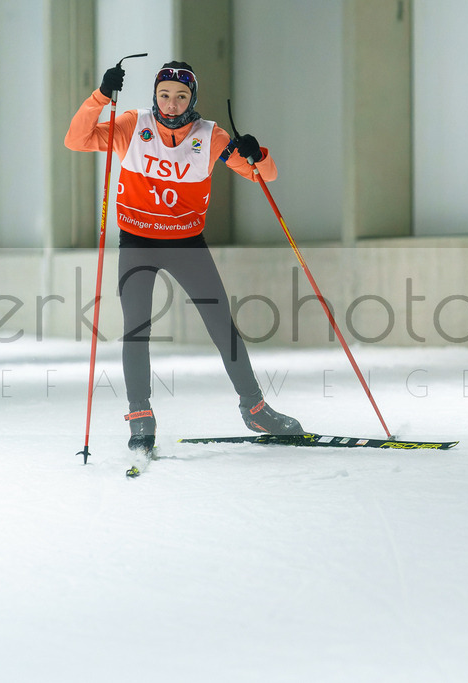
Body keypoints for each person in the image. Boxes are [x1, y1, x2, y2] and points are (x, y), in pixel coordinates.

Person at [65, 61, 303, 453]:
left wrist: (254, 152)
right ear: (154, 96)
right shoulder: (131, 124)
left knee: (221, 325)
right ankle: (140, 416)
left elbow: (266, 175)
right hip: (138, 243)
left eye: (181, 96)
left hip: (186, 244)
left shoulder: (210, 136)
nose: (172, 105)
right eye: (164, 95)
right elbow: (76, 140)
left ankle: (256, 409)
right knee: (136, 329)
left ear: (192, 98)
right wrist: (100, 97)